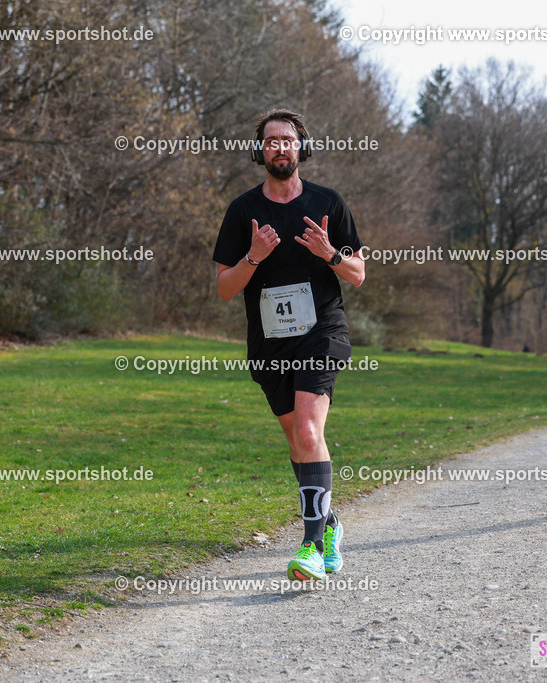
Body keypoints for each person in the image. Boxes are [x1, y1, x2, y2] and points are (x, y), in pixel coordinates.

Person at [212, 108, 365, 580]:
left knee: (308, 431)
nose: (280, 147)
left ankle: (311, 547)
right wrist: (254, 256)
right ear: (259, 151)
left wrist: (329, 253)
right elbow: (224, 288)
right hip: (270, 342)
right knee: (299, 445)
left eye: (288, 139)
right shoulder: (242, 211)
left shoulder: (328, 202)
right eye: (271, 140)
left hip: (322, 332)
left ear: (302, 147)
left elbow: (358, 274)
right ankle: (329, 523)